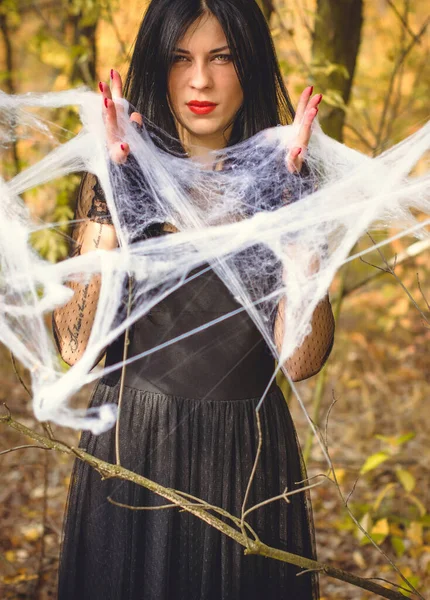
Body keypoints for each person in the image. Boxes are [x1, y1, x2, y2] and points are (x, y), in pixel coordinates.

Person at [53, 1, 335, 598]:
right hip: (135, 454)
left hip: (246, 460)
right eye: (181, 58)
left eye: (221, 57)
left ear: (251, 64)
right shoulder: (125, 169)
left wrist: (295, 222)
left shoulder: (286, 179)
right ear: (159, 67)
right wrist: (114, 196)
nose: (199, 80)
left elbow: (302, 362)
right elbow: (76, 347)